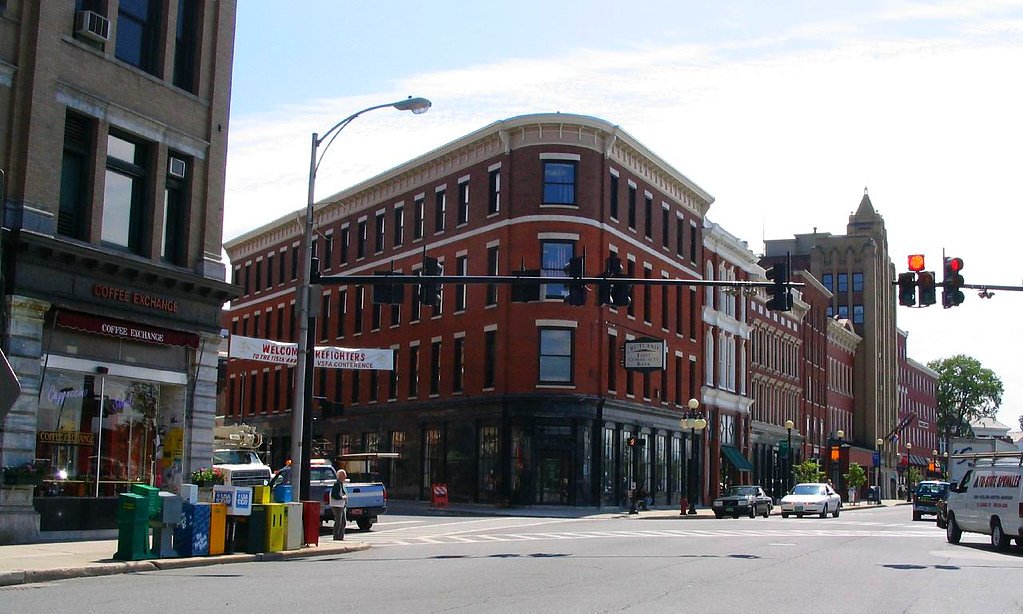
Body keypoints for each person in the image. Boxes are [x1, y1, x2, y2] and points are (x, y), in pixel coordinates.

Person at [329, 468, 348, 540]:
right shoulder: (337, 484)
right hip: (337, 506)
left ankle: (340, 536)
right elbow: (334, 495)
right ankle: (336, 537)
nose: (345, 477)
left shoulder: (341, 484)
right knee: (338, 522)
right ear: (340, 476)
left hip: (341, 505)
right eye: (344, 475)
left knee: (343, 521)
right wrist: (342, 498)